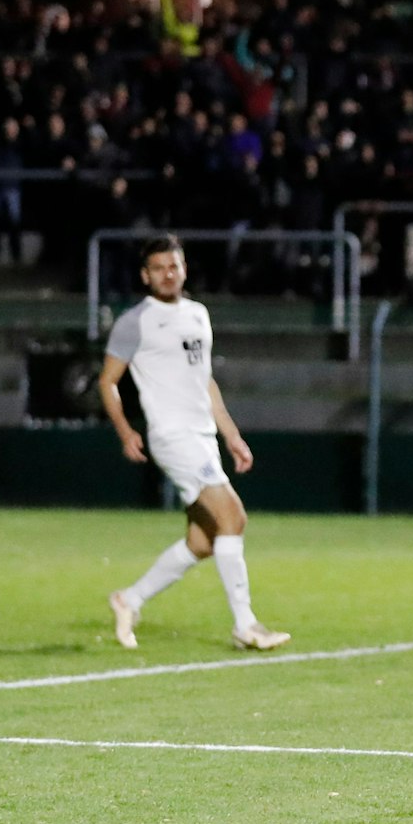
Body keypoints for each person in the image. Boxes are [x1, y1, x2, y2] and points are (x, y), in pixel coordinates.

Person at [100, 235, 291, 652]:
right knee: (233, 517)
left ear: (184, 269)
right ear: (145, 276)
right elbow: (108, 381)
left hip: (202, 435)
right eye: (158, 268)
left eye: (174, 266)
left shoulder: (199, 314)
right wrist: (125, 431)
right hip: (173, 435)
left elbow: (204, 380)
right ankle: (246, 626)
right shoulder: (136, 321)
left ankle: (129, 599)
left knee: (203, 541)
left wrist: (231, 433)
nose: (167, 274)